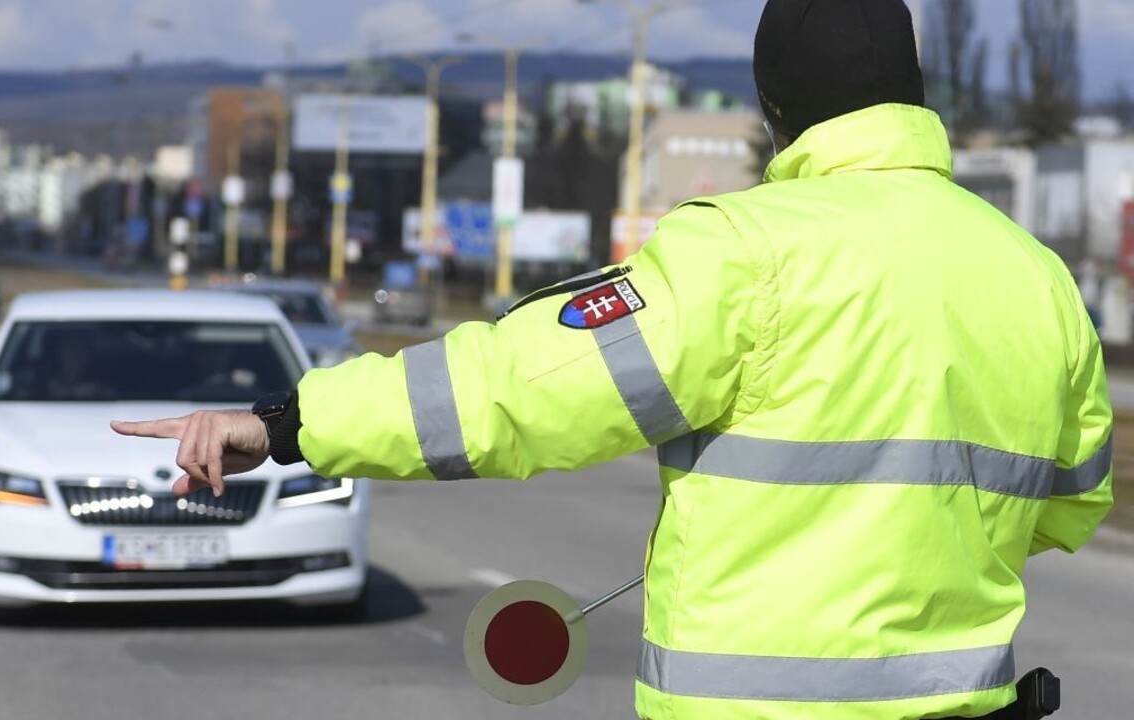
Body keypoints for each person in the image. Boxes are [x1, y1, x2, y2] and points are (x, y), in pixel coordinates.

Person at [112, 1, 1113, 718]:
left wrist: (291, 424)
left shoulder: (746, 251)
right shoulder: (1035, 277)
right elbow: (1069, 505)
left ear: (774, 109)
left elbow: (518, 388)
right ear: (912, 95)